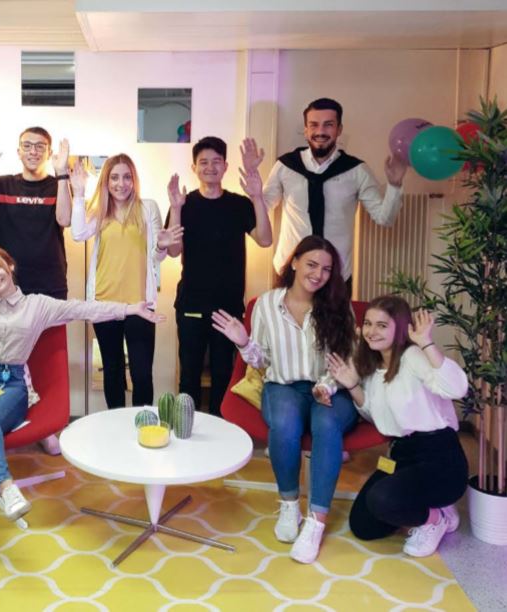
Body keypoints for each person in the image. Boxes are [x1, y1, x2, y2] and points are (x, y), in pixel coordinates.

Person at [0, 177, 165, 563]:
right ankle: (6, 484)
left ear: (9, 266)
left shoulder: (39, 306)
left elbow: (85, 309)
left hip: (12, 387)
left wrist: (129, 308)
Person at [212, 235, 357, 564]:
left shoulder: (339, 306)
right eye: (311, 265)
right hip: (283, 386)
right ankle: (290, 505)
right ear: (294, 262)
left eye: (326, 269)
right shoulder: (266, 304)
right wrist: (243, 342)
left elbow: (347, 359)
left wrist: (326, 387)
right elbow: (262, 361)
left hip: (332, 387)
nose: (318, 274)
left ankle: (316, 523)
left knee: (326, 423)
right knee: (285, 422)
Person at [325, 296, 469, 557]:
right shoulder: (373, 365)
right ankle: (433, 506)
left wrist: (426, 342)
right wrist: (352, 384)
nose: (371, 331)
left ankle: (436, 519)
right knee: (363, 525)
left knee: (383, 499)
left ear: (399, 328)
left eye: (382, 325)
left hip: (439, 456)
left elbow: (457, 388)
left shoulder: (412, 356)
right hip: (401, 454)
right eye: (368, 323)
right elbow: (378, 417)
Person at [0, 128, 72, 454]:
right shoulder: (4, 185)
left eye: (40, 146)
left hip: (49, 284)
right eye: (27, 145)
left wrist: (62, 174)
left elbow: (64, 219)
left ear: (48, 152)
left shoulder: (56, 184)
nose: (33, 151)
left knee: (44, 361)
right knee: (9, 357)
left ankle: (44, 426)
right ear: (19, 150)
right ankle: (11, 418)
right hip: (7, 287)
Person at [244, 97, 409, 294]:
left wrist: (394, 185)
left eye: (328, 125)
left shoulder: (356, 170)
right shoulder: (286, 166)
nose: (320, 131)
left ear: (339, 129)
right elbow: (262, 210)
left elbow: (385, 219)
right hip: (289, 272)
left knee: (333, 317)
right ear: (306, 130)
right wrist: (254, 190)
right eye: (314, 125)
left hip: (336, 277)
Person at [166, 136, 272, 417]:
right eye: (203, 162)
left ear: (225, 166)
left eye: (216, 162)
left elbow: (265, 239)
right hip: (191, 304)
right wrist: (175, 208)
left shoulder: (240, 204)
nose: (210, 167)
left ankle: (221, 433)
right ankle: (185, 428)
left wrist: (257, 196)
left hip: (228, 307)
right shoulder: (184, 203)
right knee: (189, 375)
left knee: (224, 376)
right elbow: (174, 251)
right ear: (194, 167)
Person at [70, 154, 183, 408]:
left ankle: (142, 423)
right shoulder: (99, 211)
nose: (121, 184)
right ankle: (116, 423)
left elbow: (157, 256)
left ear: (134, 180)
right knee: (112, 370)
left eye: (126, 177)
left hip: (140, 305)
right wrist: (78, 193)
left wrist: (162, 246)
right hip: (104, 303)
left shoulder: (148, 208)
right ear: (106, 181)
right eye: (114, 177)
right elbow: (78, 234)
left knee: (141, 374)